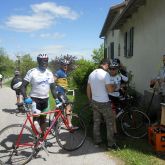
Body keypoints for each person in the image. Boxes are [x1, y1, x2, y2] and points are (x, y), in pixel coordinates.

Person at [21, 54, 57, 136]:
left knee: (43, 120)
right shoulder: (32, 72)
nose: (45, 62)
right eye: (43, 61)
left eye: (46, 60)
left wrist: (56, 98)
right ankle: (37, 140)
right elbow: (23, 86)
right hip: (35, 100)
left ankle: (42, 139)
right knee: (36, 121)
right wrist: (25, 97)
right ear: (38, 61)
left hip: (46, 100)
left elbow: (53, 88)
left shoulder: (49, 73)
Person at [87, 58, 118, 150]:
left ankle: (97, 141)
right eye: (109, 67)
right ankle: (110, 144)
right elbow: (110, 90)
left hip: (94, 102)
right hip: (104, 102)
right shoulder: (105, 74)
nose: (109, 69)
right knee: (110, 123)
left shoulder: (92, 74)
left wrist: (90, 100)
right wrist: (115, 86)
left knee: (96, 122)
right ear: (106, 65)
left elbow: (88, 88)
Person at [108, 61, 128, 135]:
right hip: (110, 96)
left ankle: (120, 122)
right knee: (113, 114)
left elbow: (126, 80)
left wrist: (120, 74)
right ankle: (114, 131)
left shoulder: (119, 75)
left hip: (117, 96)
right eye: (111, 69)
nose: (113, 70)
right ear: (109, 69)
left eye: (114, 69)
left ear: (117, 69)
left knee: (120, 110)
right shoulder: (108, 76)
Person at [53, 58, 73, 127]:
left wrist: (65, 88)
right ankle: (70, 124)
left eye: (66, 65)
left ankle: (54, 123)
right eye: (64, 65)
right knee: (68, 106)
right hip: (59, 92)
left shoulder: (64, 73)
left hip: (61, 92)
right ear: (61, 65)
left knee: (59, 108)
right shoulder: (59, 72)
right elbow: (53, 80)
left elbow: (62, 83)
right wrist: (55, 87)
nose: (65, 66)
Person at [150, 54, 165, 123]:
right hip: (161, 91)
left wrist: (163, 80)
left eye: (164, 60)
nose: (164, 61)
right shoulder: (162, 69)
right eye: (163, 60)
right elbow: (158, 77)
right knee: (159, 108)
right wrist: (154, 80)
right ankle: (158, 122)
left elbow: (162, 79)